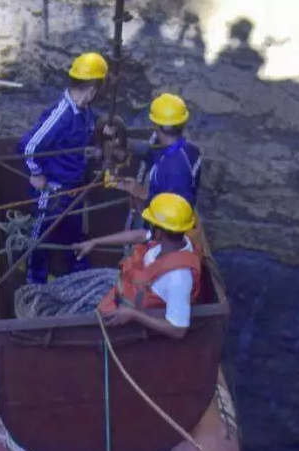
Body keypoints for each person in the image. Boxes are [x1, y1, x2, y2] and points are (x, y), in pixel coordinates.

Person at [17, 52, 110, 285]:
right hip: (53, 191)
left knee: (74, 231)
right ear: (92, 90)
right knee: (41, 236)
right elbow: (29, 146)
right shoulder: (61, 115)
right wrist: (36, 174)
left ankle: (78, 274)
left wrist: (100, 134)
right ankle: (35, 281)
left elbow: (84, 134)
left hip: (73, 188)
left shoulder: (84, 111)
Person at [73, 193, 203, 339]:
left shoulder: (178, 278)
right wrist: (94, 242)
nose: (149, 227)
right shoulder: (174, 241)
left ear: (159, 233)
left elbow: (178, 330)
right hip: (124, 292)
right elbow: (138, 235)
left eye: (151, 224)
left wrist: (134, 315)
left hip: (129, 317)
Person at [116, 93, 202, 210]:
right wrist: (126, 144)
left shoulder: (173, 170)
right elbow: (154, 151)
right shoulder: (191, 151)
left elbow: (174, 211)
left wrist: (142, 193)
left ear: (156, 125)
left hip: (165, 216)